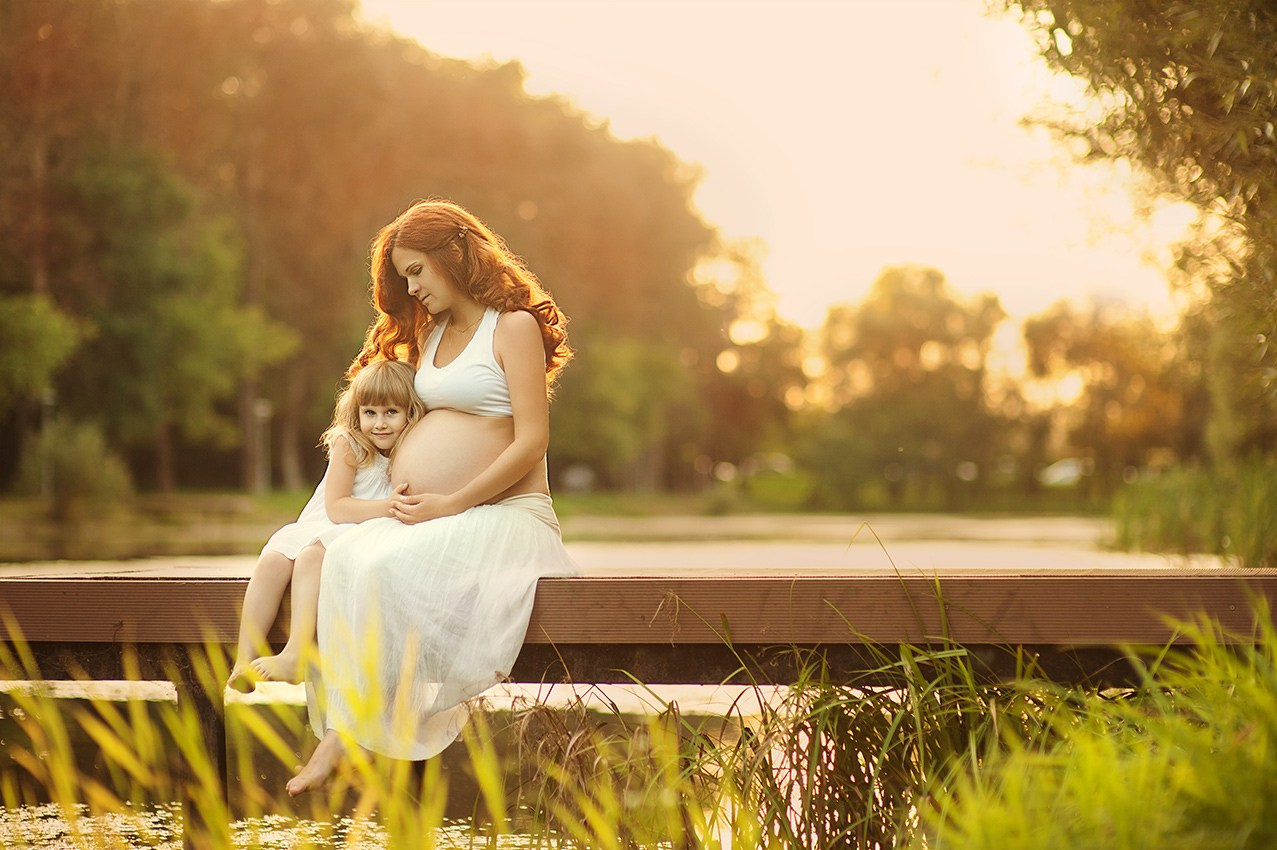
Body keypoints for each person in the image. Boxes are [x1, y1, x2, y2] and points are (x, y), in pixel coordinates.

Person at [287, 199, 578, 796]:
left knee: (385, 565)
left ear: (455, 256)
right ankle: (353, 728)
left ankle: (344, 735)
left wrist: (453, 501)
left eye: (417, 270)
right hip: (445, 518)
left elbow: (532, 442)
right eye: (404, 276)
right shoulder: (434, 332)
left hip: (505, 517)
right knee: (345, 557)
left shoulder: (513, 327)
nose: (411, 286)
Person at [227, 359, 425, 694]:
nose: (379, 424)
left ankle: (295, 654)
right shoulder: (349, 444)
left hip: (361, 532)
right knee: (274, 558)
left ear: (410, 412)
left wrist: (387, 511)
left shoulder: (412, 449)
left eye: (391, 412)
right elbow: (336, 507)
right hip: (332, 520)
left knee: (311, 556)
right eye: (370, 413)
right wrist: (387, 506)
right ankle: (243, 658)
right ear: (357, 412)